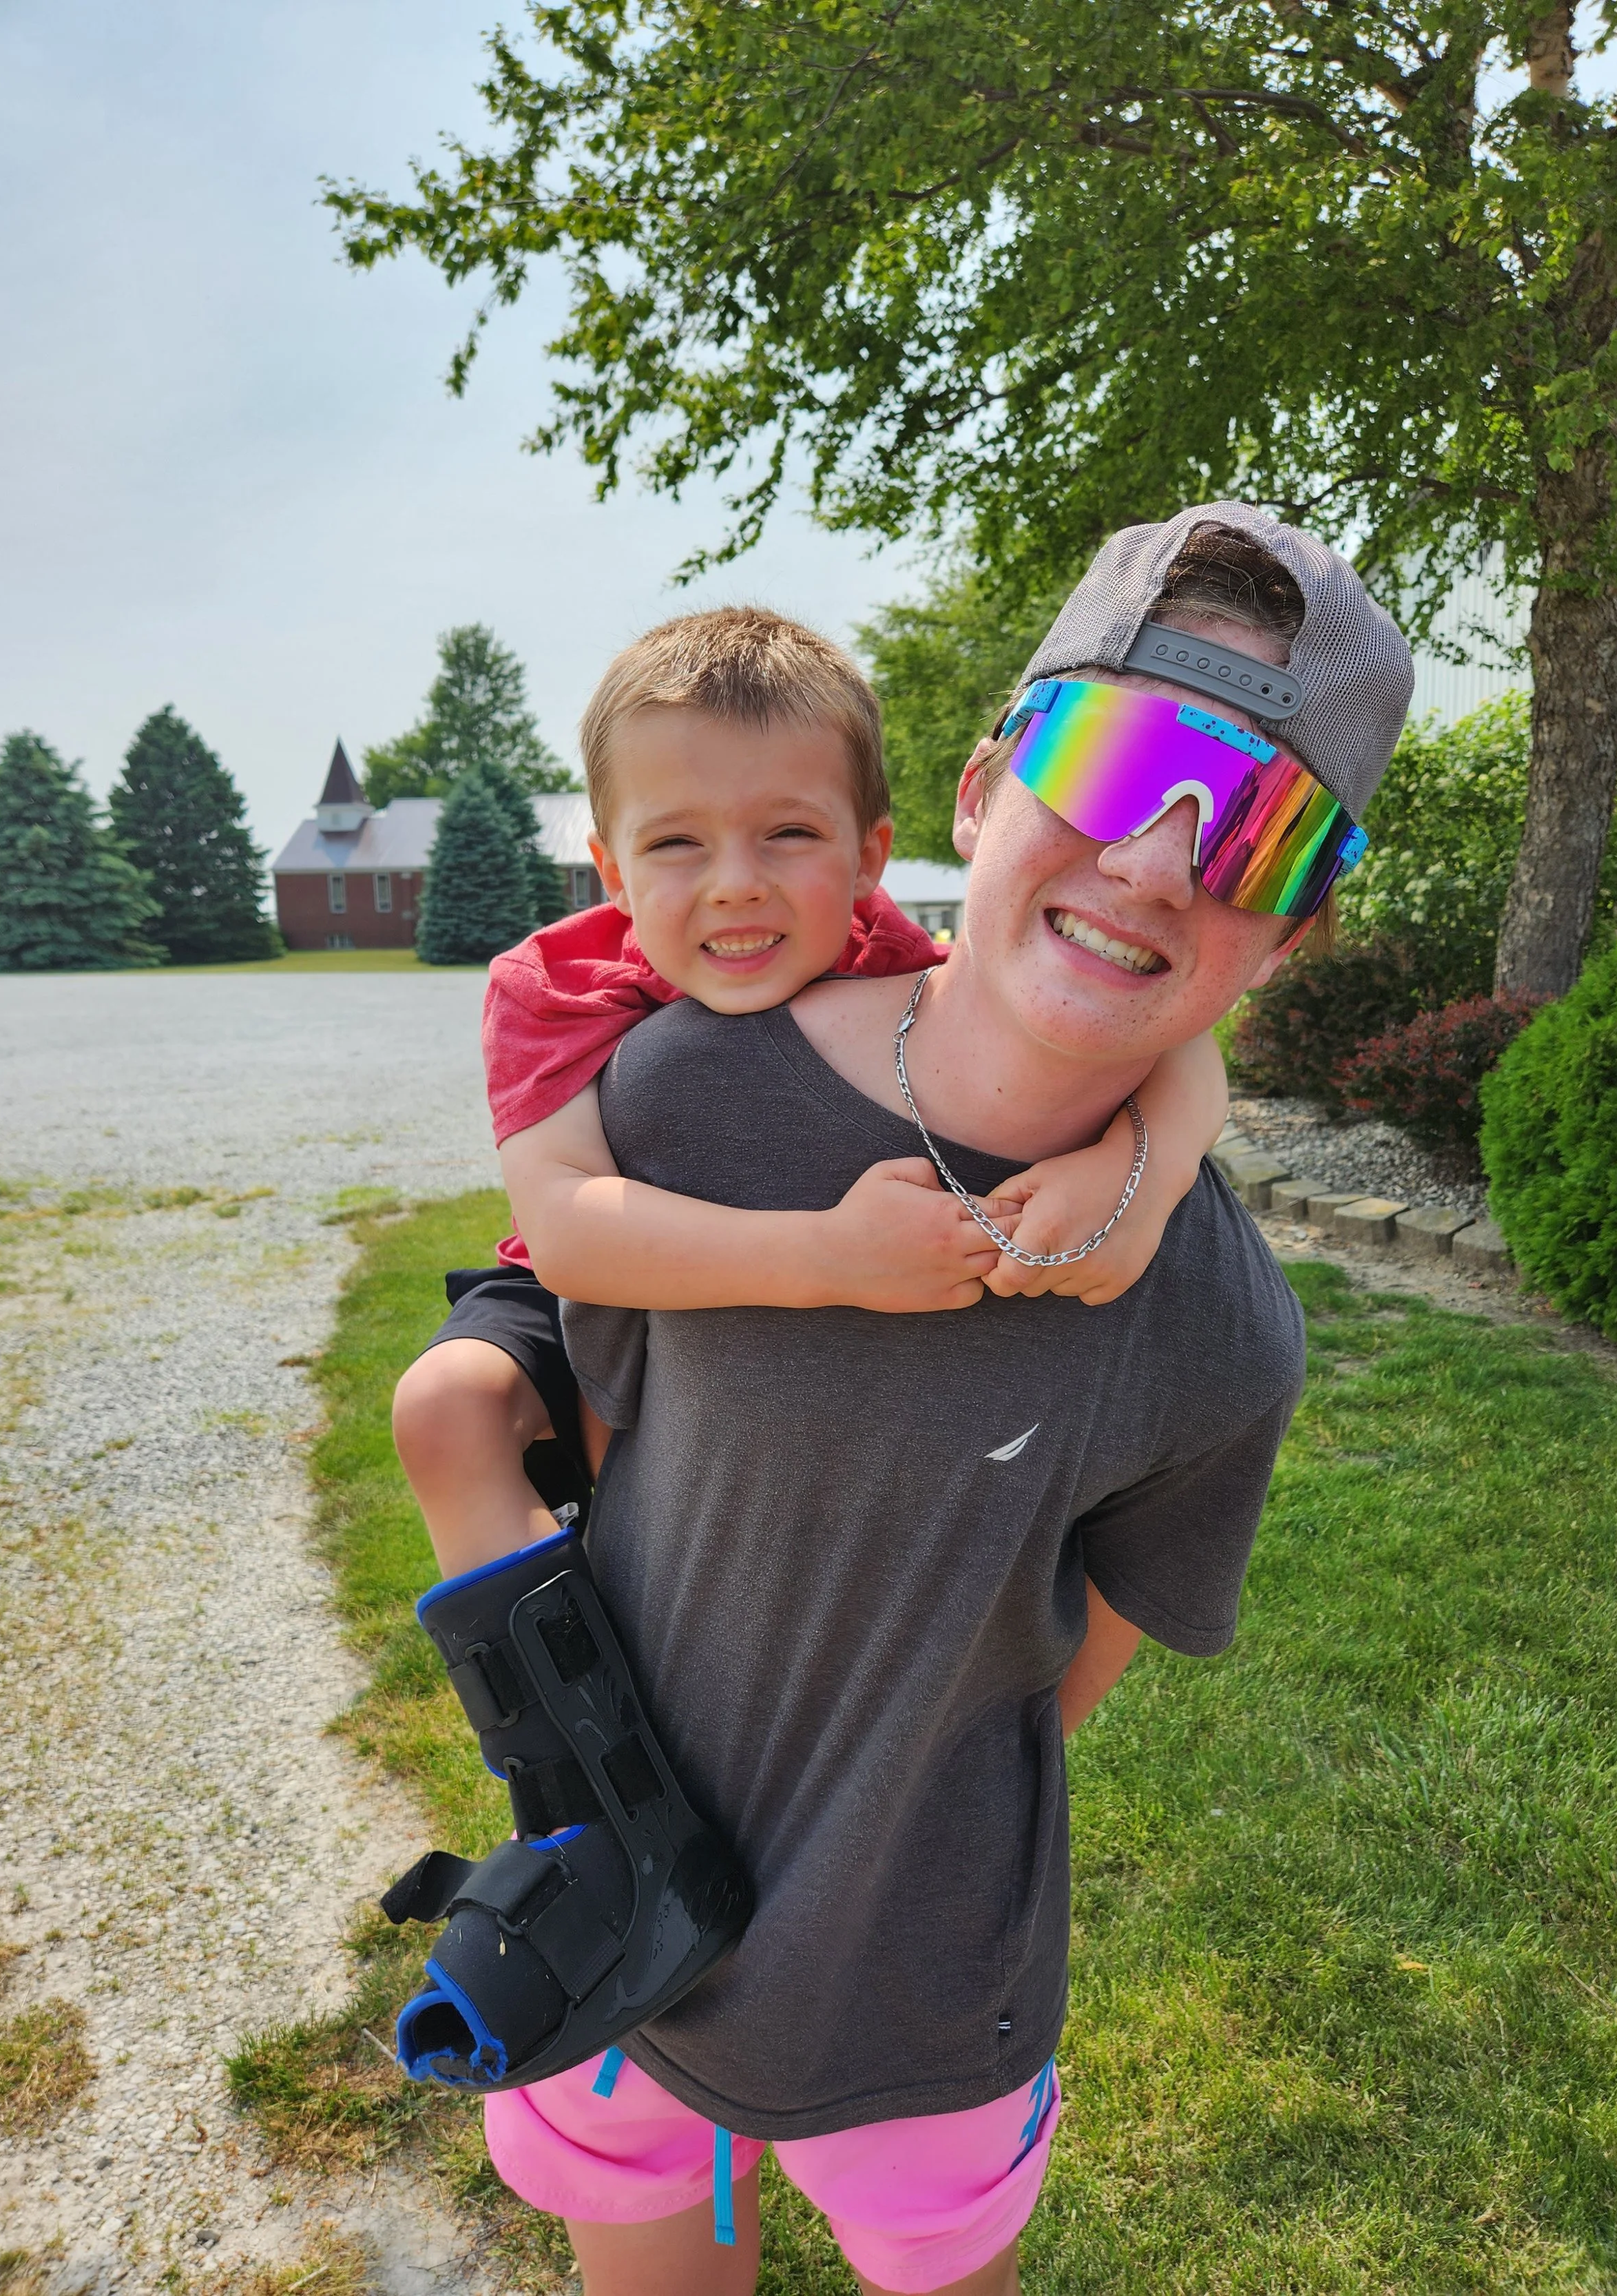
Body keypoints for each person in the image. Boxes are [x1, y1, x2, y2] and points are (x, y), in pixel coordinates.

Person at [465, 506, 1412, 2296]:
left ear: (1291, 932)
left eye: (1261, 828)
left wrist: (1150, 1156)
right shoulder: (670, 1105)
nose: (1156, 855)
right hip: (611, 1933)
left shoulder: (1216, 1332)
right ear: (983, 789)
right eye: (1126, 754)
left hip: (920, 2001)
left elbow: (1059, 1689)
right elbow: (595, 1417)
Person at [391, 608, 1231, 1581]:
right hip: (581, 1279)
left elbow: (1185, 1040)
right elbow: (568, 1231)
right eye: (676, 845)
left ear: (868, 856)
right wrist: (829, 1256)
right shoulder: (558, 985)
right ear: (611, 872)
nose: (736, 884)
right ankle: (546, 1701)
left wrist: (1142, 1177)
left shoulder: (891, 955)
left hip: (765, 1366)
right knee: (445, 1407)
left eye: (789, 832)